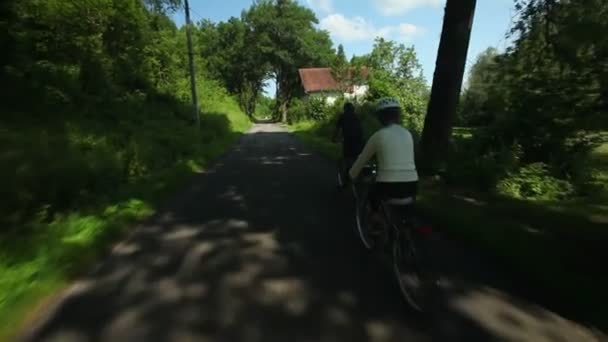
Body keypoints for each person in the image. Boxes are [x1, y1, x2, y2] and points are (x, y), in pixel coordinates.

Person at [349, 97, 418, 228]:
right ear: (398, 115)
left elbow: (362, 159)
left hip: (388, 184)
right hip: (412, 184)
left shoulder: (379, 135)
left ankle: (376, 226)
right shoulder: (407, 134)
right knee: (406, 213)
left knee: (372, 193)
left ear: (380, 117)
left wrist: (352, 175)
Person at [332, 102, 364, 182]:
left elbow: (337, 129)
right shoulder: (357, 116)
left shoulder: (342, 116)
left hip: (348, 140)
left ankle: (346, 180)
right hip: (360, 140)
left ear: (344, 109)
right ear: (353, 109)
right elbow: (361, 129)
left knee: (348, 160)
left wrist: (334, 138)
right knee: (357, 156)